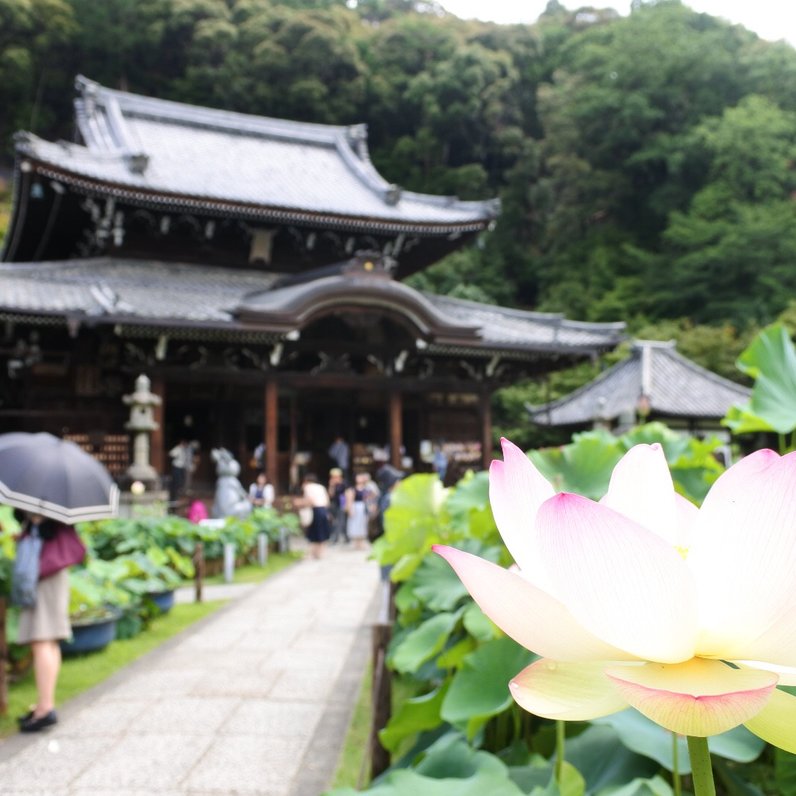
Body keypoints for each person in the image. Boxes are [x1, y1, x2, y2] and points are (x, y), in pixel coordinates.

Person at [15, 513, 82, 733]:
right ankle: (44, 703)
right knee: (49, 641)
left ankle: (45, 708)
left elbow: (40, 525)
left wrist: (31, 520)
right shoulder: (57, 505)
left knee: (41, 640)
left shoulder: (41, 504)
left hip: (45, 575)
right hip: (53, 573)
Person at [298, 473, 331, 559]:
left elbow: (310, 500)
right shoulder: (321, 487)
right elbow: (327, 501)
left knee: (314, 533)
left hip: (315, 510)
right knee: (322, 532)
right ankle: (320, 552)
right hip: (323, 510)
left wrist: (300, 503)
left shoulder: (308, 487)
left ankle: (313, 553)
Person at [345, 472, 375, 551]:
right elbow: (349, 500)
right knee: (355, 523)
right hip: (356, 507)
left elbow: (371, 497)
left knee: (363, 523)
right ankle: (356, 542)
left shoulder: (367, 488)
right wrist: (350, 509)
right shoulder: (352, 489)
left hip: (363, 508)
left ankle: (362, 541)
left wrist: (371, 506)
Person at [327, 467, 348, 544]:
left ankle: (338, 538)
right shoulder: (332, 484)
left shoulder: (344, 483)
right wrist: (331, 485)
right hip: (334, 504)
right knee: (335, 521)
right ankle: (342, 537)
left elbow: (347, 494)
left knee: (341, 521)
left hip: (342, 504)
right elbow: (330, 495)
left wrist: (346, 504)